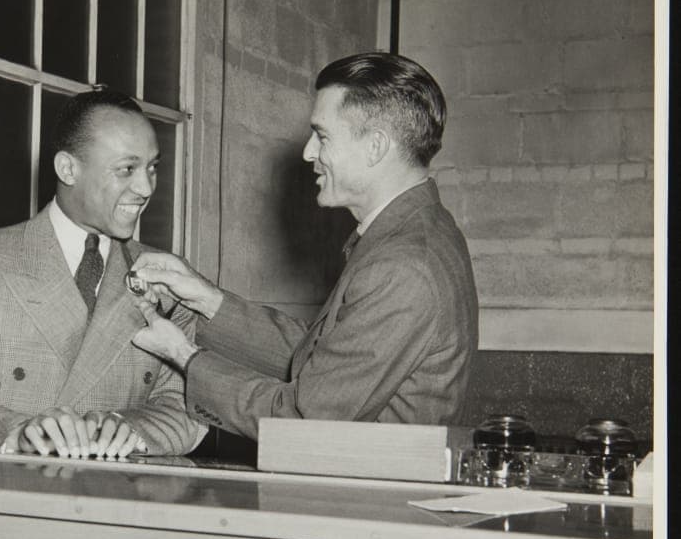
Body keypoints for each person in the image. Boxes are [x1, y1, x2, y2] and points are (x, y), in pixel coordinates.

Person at [130, 52, 479, 440]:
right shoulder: (418, 231)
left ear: (376, 147)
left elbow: (305, 420)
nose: (308, 152)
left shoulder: (403, 265)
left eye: (323, 136)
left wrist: (183, 356)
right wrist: (205, 300)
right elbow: (326, 360)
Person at [0, 89, 206, 460]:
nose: (146, 188)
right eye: (126, 170)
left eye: (152, 167)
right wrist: (20, 433)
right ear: (68, 169)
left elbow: (186, 405)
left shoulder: (167, 278)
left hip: (126, 500)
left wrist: (132, 429)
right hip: (6, 498)